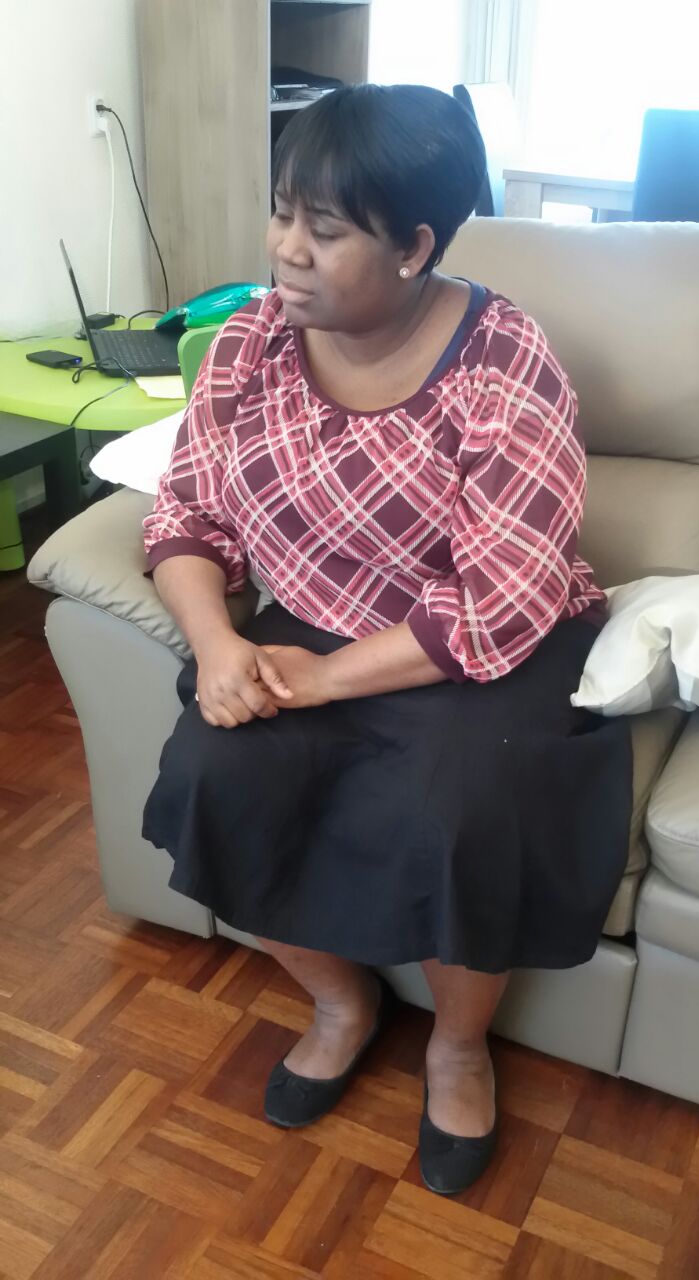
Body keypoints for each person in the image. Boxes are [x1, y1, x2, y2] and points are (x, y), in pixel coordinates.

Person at [141, 84, 633, 1196]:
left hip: (479, 643)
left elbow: (503, 596)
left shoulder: (506, 361)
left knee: (465, 810)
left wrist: (324, 678)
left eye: (325, 229)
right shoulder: (248, 345)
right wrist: (216, 643)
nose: (286, 250)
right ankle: (340, 1001)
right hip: (311, 618)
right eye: (282, 213)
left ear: (414, 246)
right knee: (215, 775)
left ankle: (457, 1047)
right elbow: (187, 515)